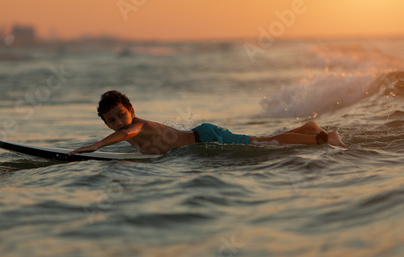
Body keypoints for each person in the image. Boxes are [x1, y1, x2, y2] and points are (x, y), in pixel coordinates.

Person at [68, 91, 345, 156]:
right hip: (203, 136)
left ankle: (324, 138)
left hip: (206, 137)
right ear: (106, 122)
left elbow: (130, 131)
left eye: (120, 114)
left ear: (131, 110)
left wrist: (95, 146)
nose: (118, 122)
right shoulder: (127, 131)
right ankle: (310, 129)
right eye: (111, 120)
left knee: (263, 144)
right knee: (261, 140)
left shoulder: (135, 126)